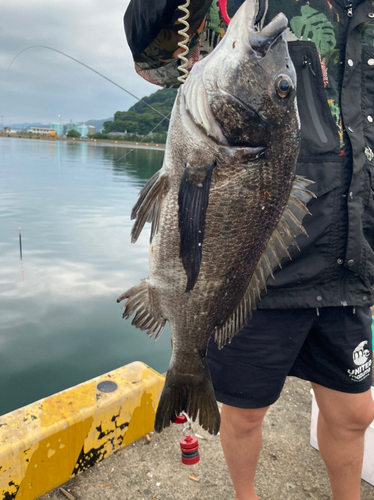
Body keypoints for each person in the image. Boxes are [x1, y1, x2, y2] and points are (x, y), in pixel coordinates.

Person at [124, 1, 374, 499]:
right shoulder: (245, 9)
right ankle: (246, 495)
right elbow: (149, 53)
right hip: (254, 271)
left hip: (349, 251)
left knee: (354, 411)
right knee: (243, 413)